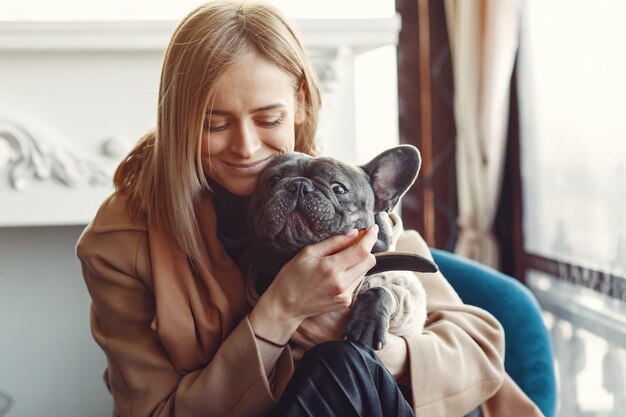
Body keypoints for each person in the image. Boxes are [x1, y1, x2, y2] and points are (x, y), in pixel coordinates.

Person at [77, 1, 540, 416]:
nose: (245, 146)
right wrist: (279, 313)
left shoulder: (338, 195)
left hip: (361, 389)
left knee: (339, 365)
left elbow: (477, 348)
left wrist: (367, 342)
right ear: (177, 116)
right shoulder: (121, 244)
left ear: (299, 102)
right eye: (214, 124)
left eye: (268, 119)